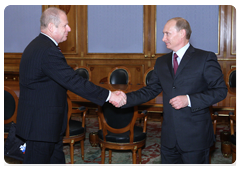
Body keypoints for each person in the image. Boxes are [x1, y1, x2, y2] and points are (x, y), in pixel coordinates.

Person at [16, 7, 126, 166]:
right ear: (52, 27)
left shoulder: (38, 45)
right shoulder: (47, 51)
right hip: (41, 128)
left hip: (46, 126)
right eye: (65, 25)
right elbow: (74, 81)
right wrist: (109, 96)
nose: (69, 28)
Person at [121, 17, 227, 165]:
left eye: (167, 33)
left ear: (182, 33)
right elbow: (150, 90)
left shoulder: (204, 58)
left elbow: (220, 91)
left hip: (195, 136)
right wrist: (124, 99)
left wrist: (189, 100)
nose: (163, 38)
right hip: (168, 137)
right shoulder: (161, 62)